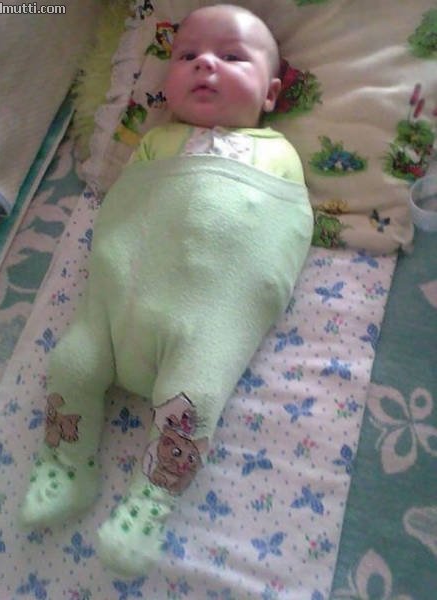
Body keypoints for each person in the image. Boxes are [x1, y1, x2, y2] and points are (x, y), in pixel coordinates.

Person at [19, 3, 313, 576]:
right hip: (125, 297)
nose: (205, 64)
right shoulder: (155, 142)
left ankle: (150, 503)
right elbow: (128, 210)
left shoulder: (278, 154)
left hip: (207, 314)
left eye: (231, 57)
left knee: (193, 402)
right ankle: (65, 465)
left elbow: (283, 230)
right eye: (187, 55)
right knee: (73, 363)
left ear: (271, 93)